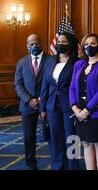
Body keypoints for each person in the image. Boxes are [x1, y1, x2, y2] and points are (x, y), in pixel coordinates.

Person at [40, 32, 79, 170]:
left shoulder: (76, 62)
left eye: (64, 41)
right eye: (59, 41)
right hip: (52, 105)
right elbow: (45, 85)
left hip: (70, 105)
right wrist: (42, 108)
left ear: (71, 43)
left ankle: (73, 166)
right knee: (55, 138)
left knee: (72, 138)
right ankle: (58, 166)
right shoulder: (50, 61)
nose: (60, 44)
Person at [70, 33, 98, 170]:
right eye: (86, 44)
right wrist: (75, 108)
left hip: (96, 112)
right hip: (79, 112)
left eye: (92, 43)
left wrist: (87, 110)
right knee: (86, 144)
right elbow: (72, 88)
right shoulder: (78, 64)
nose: (89, 46)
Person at [14, 34, 51, 170]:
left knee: (52, 135)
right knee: (28, 137)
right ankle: (31, 165)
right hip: (27, 105)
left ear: (41, 44)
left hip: (47, 104)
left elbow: (52, 83)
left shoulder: (51, 60)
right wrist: (28, 100)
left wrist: (41, 100)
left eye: (36, 43)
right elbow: (18, 84)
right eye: (31, 44)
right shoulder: (21, 62)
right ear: (27, 46)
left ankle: (57, 163)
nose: (33, 46)